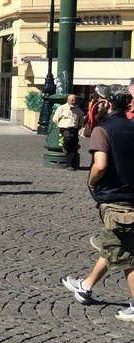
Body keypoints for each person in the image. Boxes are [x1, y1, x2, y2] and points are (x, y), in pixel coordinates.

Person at [61, 87, 134, 323]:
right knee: (115, 243)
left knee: (125, 252)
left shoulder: (102, 130)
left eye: (101, 100)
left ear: (108, 104)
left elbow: (100, 165)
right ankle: (86, 286)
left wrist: (91, 182)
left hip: (116, 199)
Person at [53, 93, 84, 171]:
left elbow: (81, 117)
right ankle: (65, 146)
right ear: (68, 100)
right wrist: (59, 125)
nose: (73, 102)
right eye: (72, 100)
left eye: (75, 100)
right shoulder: (62, 108)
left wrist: (80, 125)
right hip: (65, 128)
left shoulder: (77, 109)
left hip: (74, 128)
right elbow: (55, 118)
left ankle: (70, 165)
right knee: (68, 138)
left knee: (73, 148)